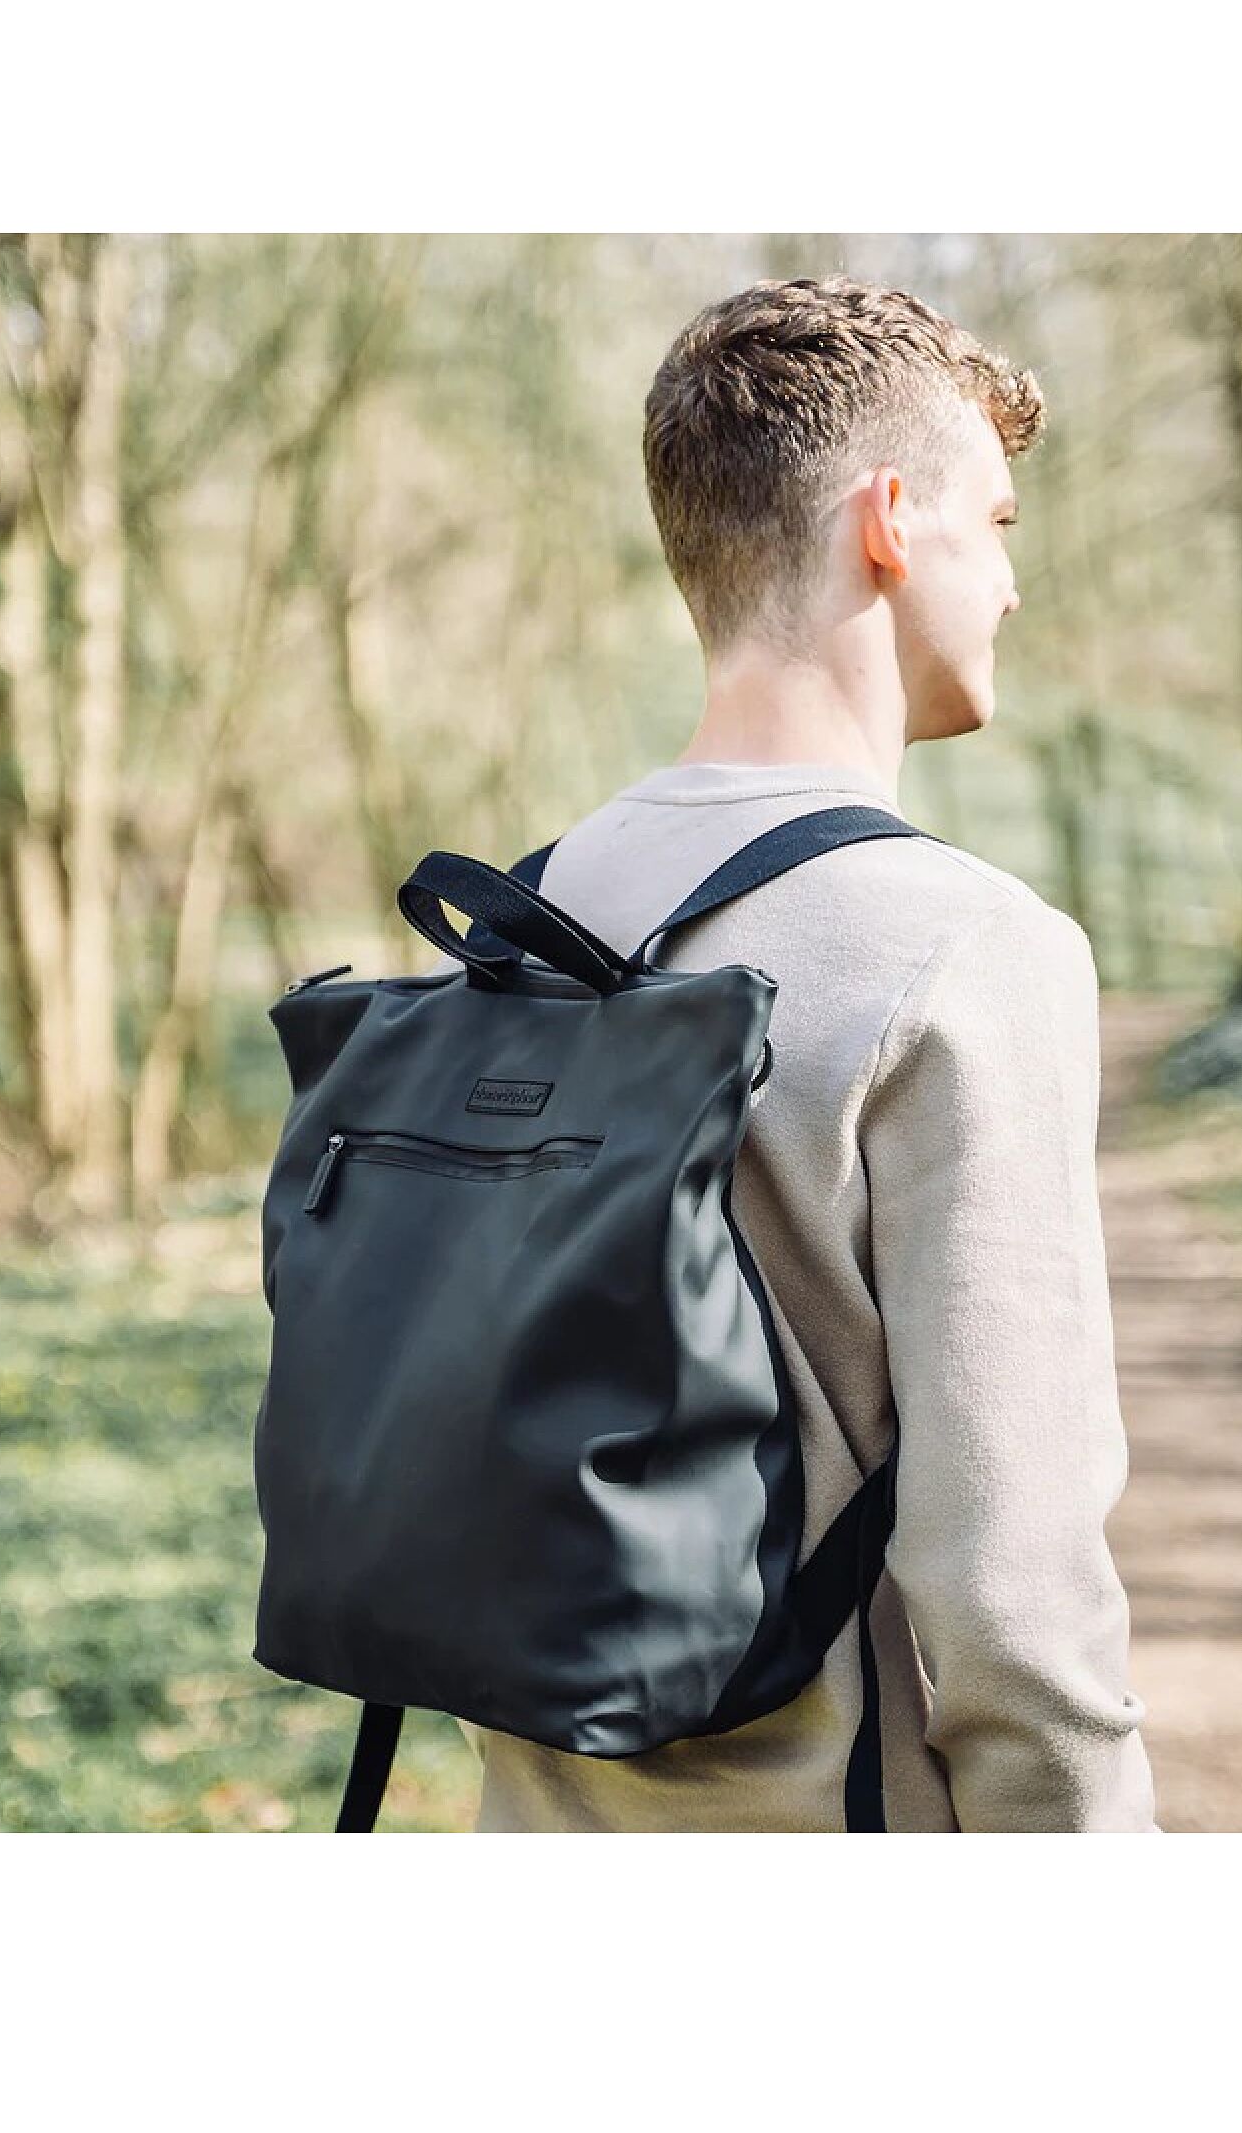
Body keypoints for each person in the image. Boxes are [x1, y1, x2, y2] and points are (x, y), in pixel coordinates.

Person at [456, 273, 1158, 1832]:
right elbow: (1017, 1596)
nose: (1014, 586)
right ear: (893, 522)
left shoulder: (530, 906)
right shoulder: (970, 952)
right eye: (1001, 525)